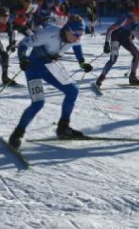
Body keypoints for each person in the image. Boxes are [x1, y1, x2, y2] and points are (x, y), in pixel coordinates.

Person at [7, 15, 94, 149]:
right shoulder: (49, 33)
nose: (78, 37)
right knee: (38, 103)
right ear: (66, 29)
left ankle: (63, 127)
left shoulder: (75, 36)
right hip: (34, 66)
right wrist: (23, 58)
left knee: (73, 90)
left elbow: (77, 47)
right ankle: (17, 133)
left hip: (51, 65)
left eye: (81, 34)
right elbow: (24, 43)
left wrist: (82, 63)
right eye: (76, 34)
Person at [95, 6, 139, 90]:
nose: (138, 17)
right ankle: (101, 78)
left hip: (126, 39)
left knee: (137, 54)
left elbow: (138, 32)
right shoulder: (125, 20)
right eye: (137, 15)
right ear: (133, 14)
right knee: (113, 59)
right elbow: (110, 30)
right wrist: (106, 43)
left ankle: (133, 76)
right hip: (116, 39)